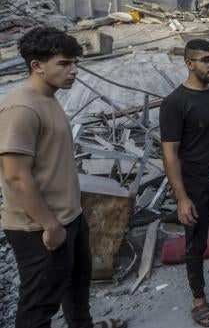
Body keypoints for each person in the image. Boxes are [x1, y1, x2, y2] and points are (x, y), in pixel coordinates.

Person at [0, 27, 126, 328]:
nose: (73, 71)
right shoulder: (21, 107)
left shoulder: (49, 98)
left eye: (75, 63)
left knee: (76, 287)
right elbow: (16, 177)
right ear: (37, 65)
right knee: (39, 305)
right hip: (38, 227)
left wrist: (69, 218)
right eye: (64, 63)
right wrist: (49, 225)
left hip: (69, 217)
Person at [160, 39, 209, 327]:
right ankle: (199, 300)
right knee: (196, 244)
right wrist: (181, 197)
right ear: (189, 63)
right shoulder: (175, 103)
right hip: (194, 186)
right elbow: (169, 154)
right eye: (206, 59)